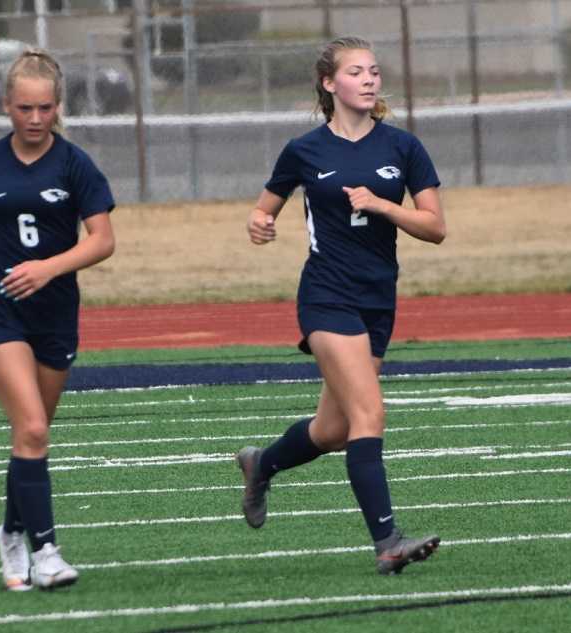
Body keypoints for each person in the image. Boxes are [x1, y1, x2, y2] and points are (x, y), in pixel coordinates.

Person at [236, 36, 446, 575]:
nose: (370, 79)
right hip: (326, 295)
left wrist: (381, 205)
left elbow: (435, 227)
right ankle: (388, 542)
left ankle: (263, 463)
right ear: (330, 84)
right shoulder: (304, 150)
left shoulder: (403, 148)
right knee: (368, 413)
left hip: (379, 299)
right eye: (357, 71)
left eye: (374, 70)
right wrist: (260, 224)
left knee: (331, 430)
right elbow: (264, 210)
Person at [0, 48, 115, 590]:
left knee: (30, 435)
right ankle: (47, 553)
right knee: (33, 428)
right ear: (5, 106)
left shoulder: (75, 164)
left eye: (44, 109)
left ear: (58, 107)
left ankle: (11, 532)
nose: (34, 119)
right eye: (23, 109)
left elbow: (103, 241)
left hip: (56, 315)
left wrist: (48, 269)